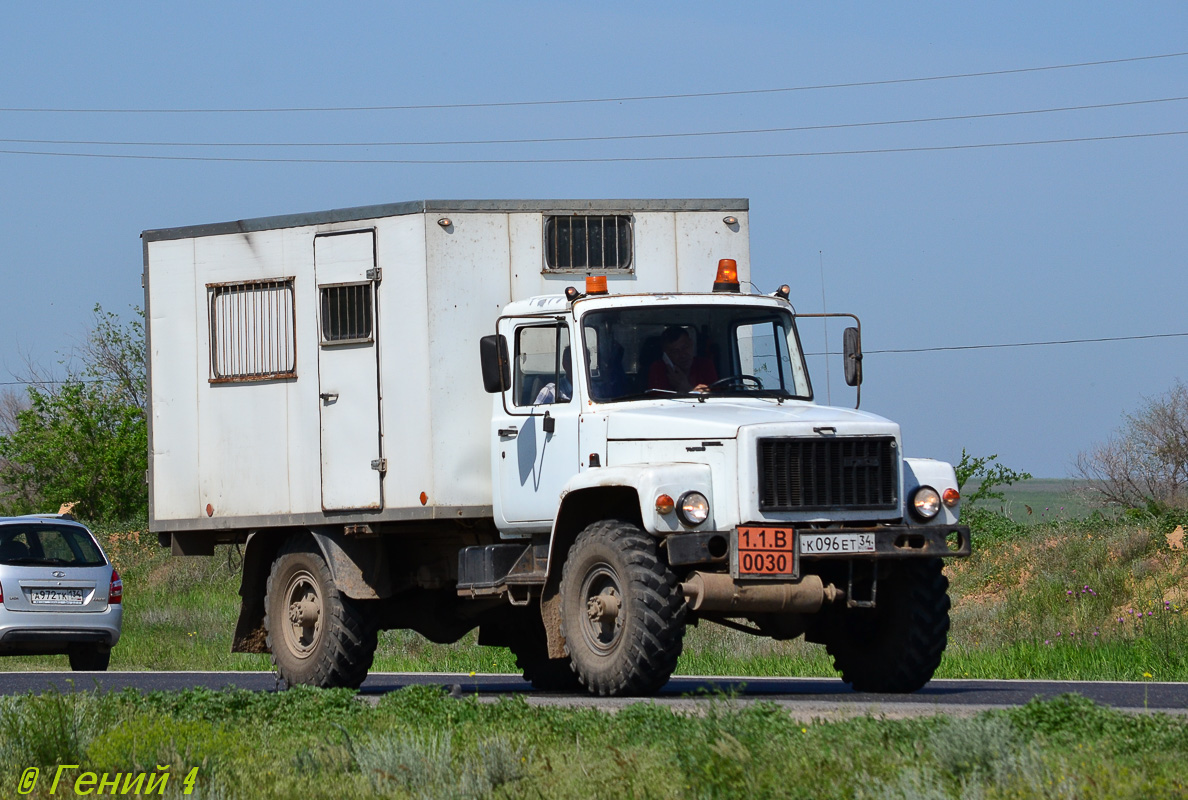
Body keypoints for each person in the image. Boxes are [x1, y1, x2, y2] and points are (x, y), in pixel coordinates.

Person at [647, 326, 717, 393]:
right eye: (675, 351)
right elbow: (657, 400)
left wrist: (686, 388)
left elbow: (715, 398)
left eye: (685, 347)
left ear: (691, 343)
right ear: (666, 355)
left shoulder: (705, 365)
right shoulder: (658, 369)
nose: (683, 355)